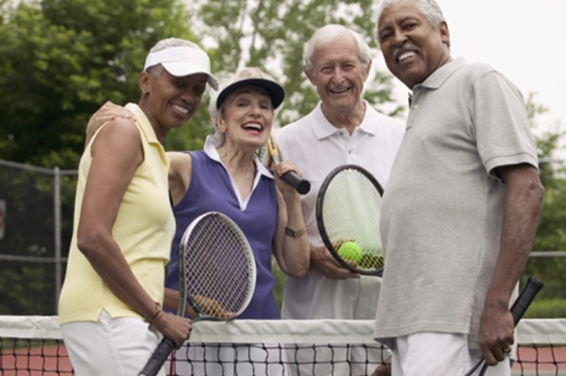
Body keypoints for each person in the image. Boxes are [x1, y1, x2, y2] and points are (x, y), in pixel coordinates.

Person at [86, 67, 310, 375]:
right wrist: (96, 133)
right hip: (192, 336)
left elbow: (296, 266)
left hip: (262, 337)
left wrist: (292, 198)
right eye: (242, 103)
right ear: (220, 120)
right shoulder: (183, 166)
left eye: (264, 105)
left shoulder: (274, 186)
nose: (255, 112)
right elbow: (111, 172)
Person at [372, 0, 545, 375]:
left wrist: (498, 305)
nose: (397, 39)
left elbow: (528, 188)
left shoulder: (478, 80)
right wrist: (401, 351)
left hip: (455, 325)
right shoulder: (420, 107)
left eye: (408, 26)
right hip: (421, 330)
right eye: (386, 35)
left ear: (443, 32)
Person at [58, 38, 218, 376]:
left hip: (123, 316)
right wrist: (158, 317)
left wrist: (181, 303)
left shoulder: (153, 150)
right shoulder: (124, 131)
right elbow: (92, 238)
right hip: (109, 317)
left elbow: (131, 261)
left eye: (197, 89)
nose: (188, 97)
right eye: (178, 83)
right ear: (145, 81)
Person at [275, 24, 405, 376]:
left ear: (366, 69)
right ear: (310, 76)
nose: (338, 78)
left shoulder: (404, 135)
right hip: (313, 318)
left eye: (347, 66)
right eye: (326, 68)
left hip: (387, 315)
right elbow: (275, 232)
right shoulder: (284, 142)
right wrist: (315, 257)